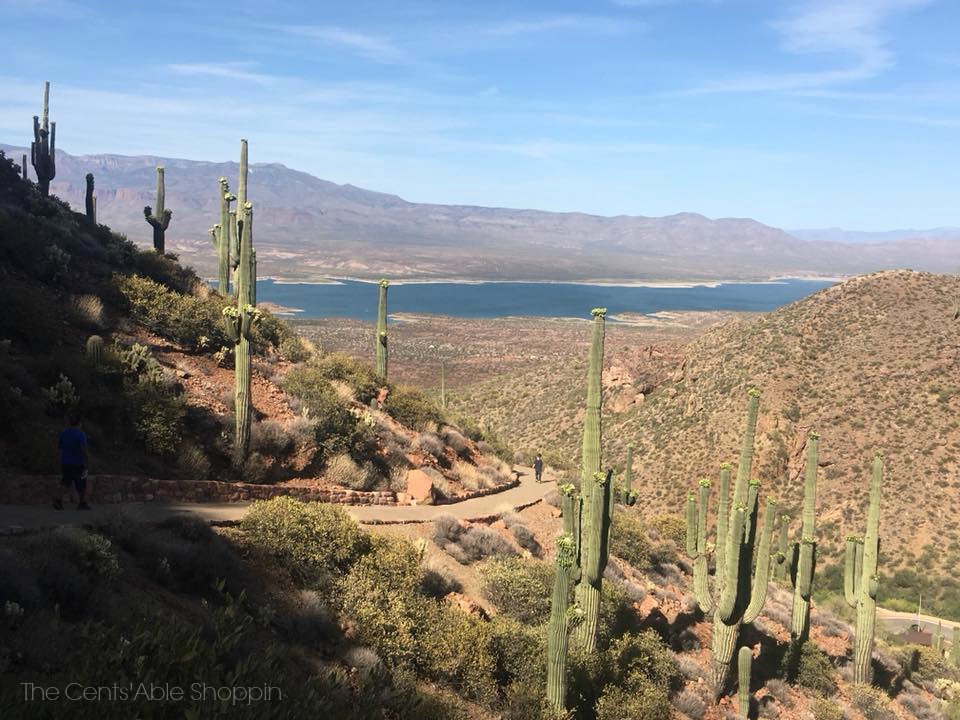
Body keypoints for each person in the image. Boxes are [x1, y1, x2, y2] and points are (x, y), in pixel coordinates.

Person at [56, 411, 90, 510]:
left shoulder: (64, 433)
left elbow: (60, 446)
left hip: (65, 462)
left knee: (65, 482)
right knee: (82, 483)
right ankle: (82, 503)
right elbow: (83, 450)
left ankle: (58, 500)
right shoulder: (81, 434)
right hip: (78, 463)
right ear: (79, 423)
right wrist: (87, 462)